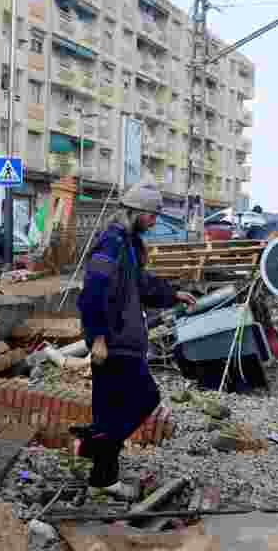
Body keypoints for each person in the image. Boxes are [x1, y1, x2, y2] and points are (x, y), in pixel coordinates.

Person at [75, 180, 196, 500]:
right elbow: (92, 293)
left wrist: (172, 294)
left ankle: (103, 478)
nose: (154, 221)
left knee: (109, 412)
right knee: (145, 398)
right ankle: (96, 445)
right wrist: (97, 337)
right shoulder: (111, 244)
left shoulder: (127, 243)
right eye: (152, 215)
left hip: (121, 340)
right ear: (136, 212)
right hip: (115, 344)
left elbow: (139, 283)